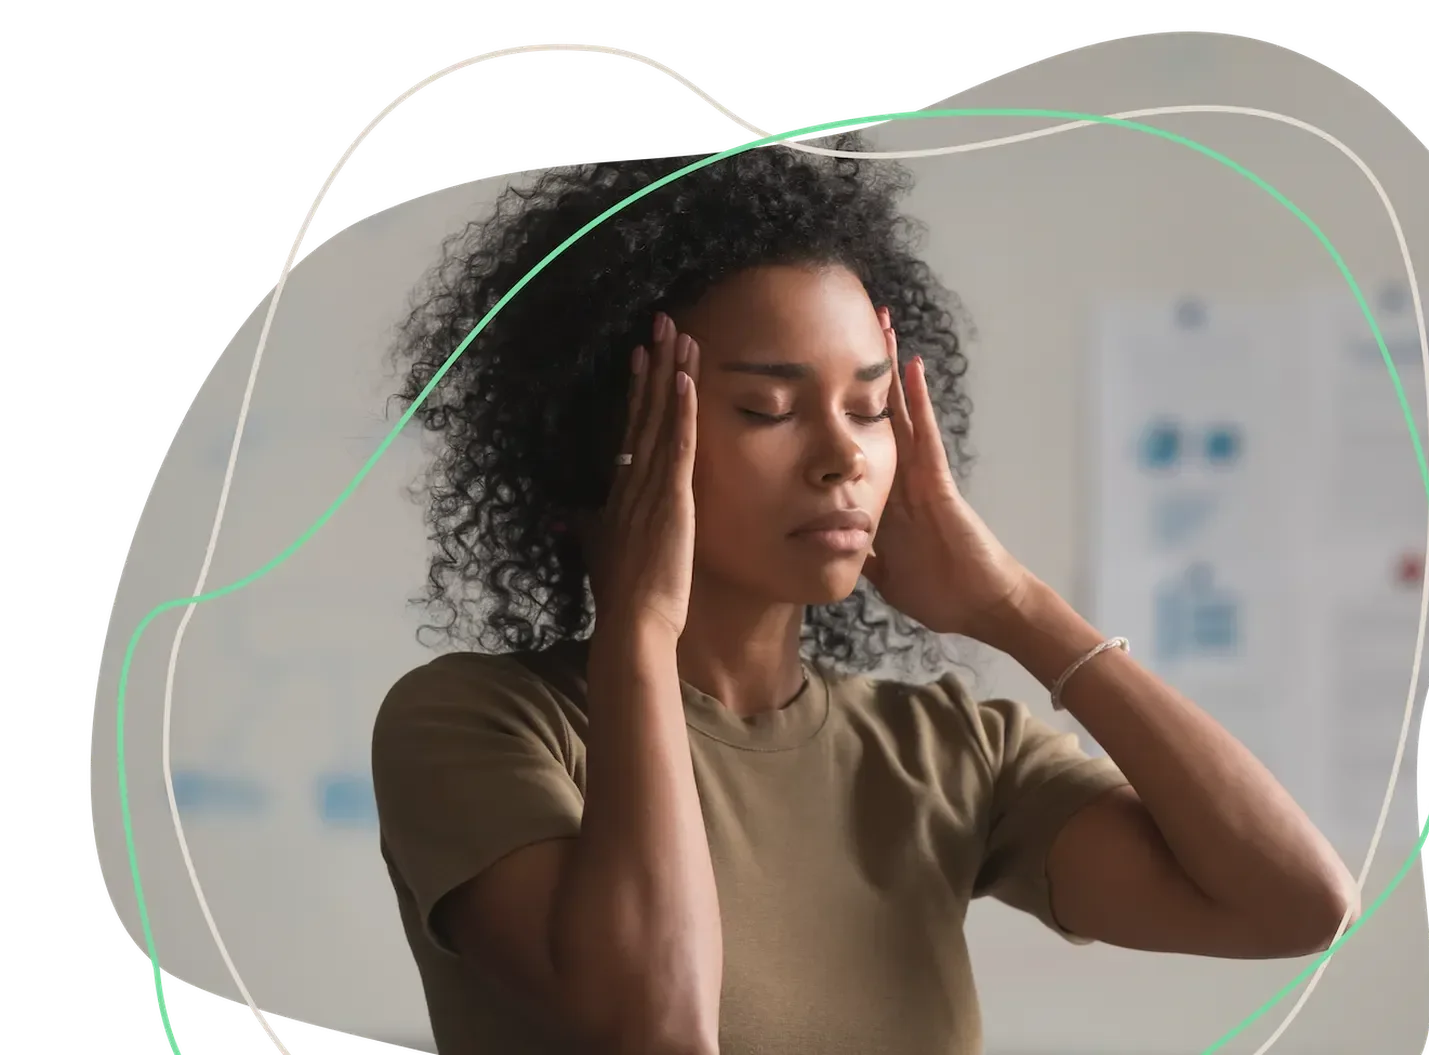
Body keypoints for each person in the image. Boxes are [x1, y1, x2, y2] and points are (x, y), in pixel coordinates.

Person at [371, 133, 1359, 1055]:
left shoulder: (946, 752)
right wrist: (639, 630)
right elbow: (658, 1015)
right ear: (601, 445)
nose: (844, 454)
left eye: (871, 407)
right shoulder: (475, 724)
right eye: (769, 408)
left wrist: (1015, 606)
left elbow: (1295, 903)